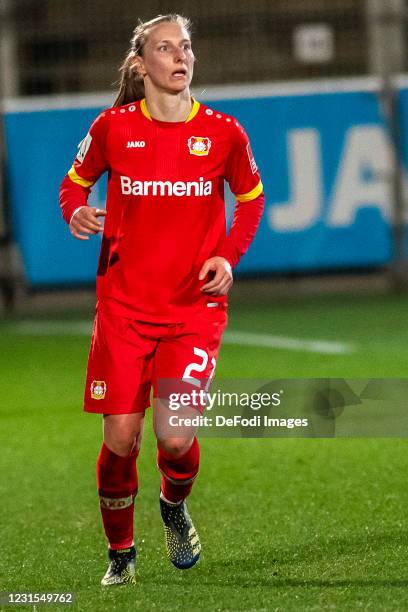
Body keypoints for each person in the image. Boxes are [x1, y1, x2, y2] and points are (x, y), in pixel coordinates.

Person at [59, 13, 264, 586]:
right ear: (140, 63)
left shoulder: (225, 132)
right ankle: (120, 555)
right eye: (166, 47)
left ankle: (173, 505)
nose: (180, 57)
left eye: (187, 47)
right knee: (122, 439)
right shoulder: (112, 128)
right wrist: (74, 209)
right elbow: (74, 182)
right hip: (123, 311)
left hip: (193, 312)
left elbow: (250, 199)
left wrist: (227, 255)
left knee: (174, 436)